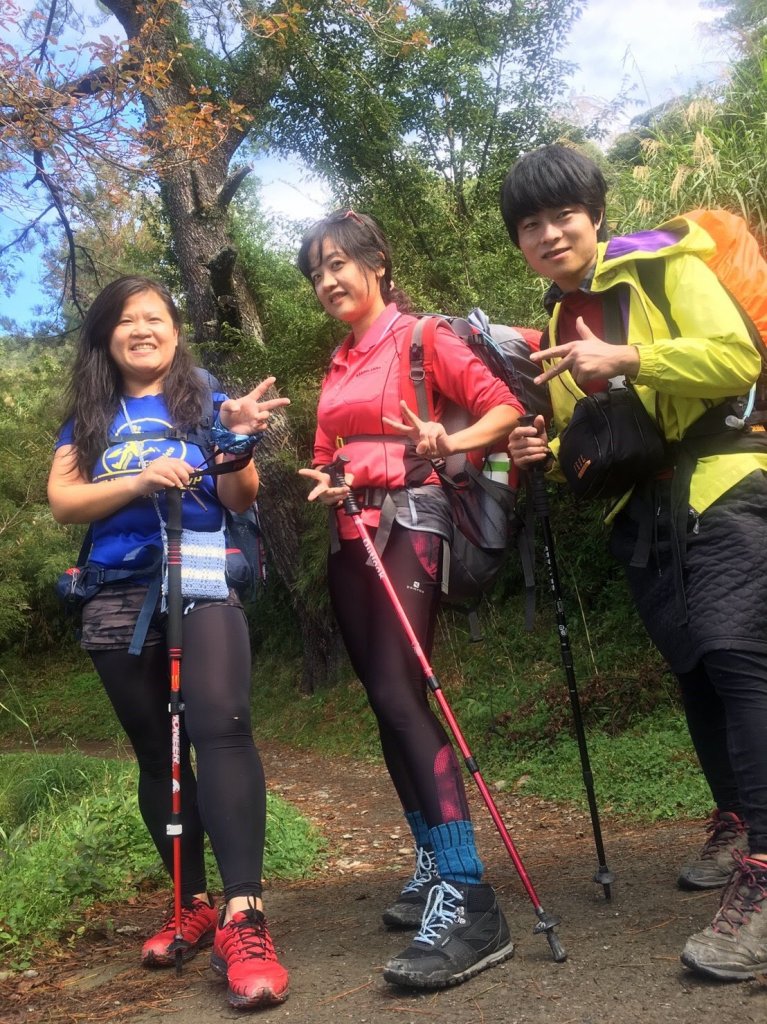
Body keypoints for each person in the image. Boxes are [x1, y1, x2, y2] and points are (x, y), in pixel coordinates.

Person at [502, 143, 767, 981]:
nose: (548, 234)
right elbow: (599, 429)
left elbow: (737, 359)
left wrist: (630, 358)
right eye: (529, 225)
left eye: (561, 216)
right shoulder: (553, 319)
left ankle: (765, 876)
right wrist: (536, 441)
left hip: (723, 482)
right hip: (642, 513)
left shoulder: (662, 268)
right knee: (693, 671)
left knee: (735, 656)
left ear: (595, 213)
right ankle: (735, 820)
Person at [48, 276, 291, 1010]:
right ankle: (191, 900)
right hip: (115, 591)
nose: (143, 328)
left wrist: (238, 439)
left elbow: (239, 497)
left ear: (176, 331)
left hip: (202, 575)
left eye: (156, 317)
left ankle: (243, 917)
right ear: (106, 336)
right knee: (157, 751)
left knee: (222, 727)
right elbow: (64, 501)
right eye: (127, 320)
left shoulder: (207, 402)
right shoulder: (90, 418)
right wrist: (138, 480)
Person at [295, 210, 523, 991]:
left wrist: (446, 442)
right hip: (348, 536)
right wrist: (329, 476)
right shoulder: (335, 363)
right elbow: (329, 453)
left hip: (411, 522)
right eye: (316, 272)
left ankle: (469, 899)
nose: (327, 280)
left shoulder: (422, 337)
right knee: (380, 699)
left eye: (338, 264)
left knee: (399, 693)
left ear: (377, 263)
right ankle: (432, 860)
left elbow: (503, 409)